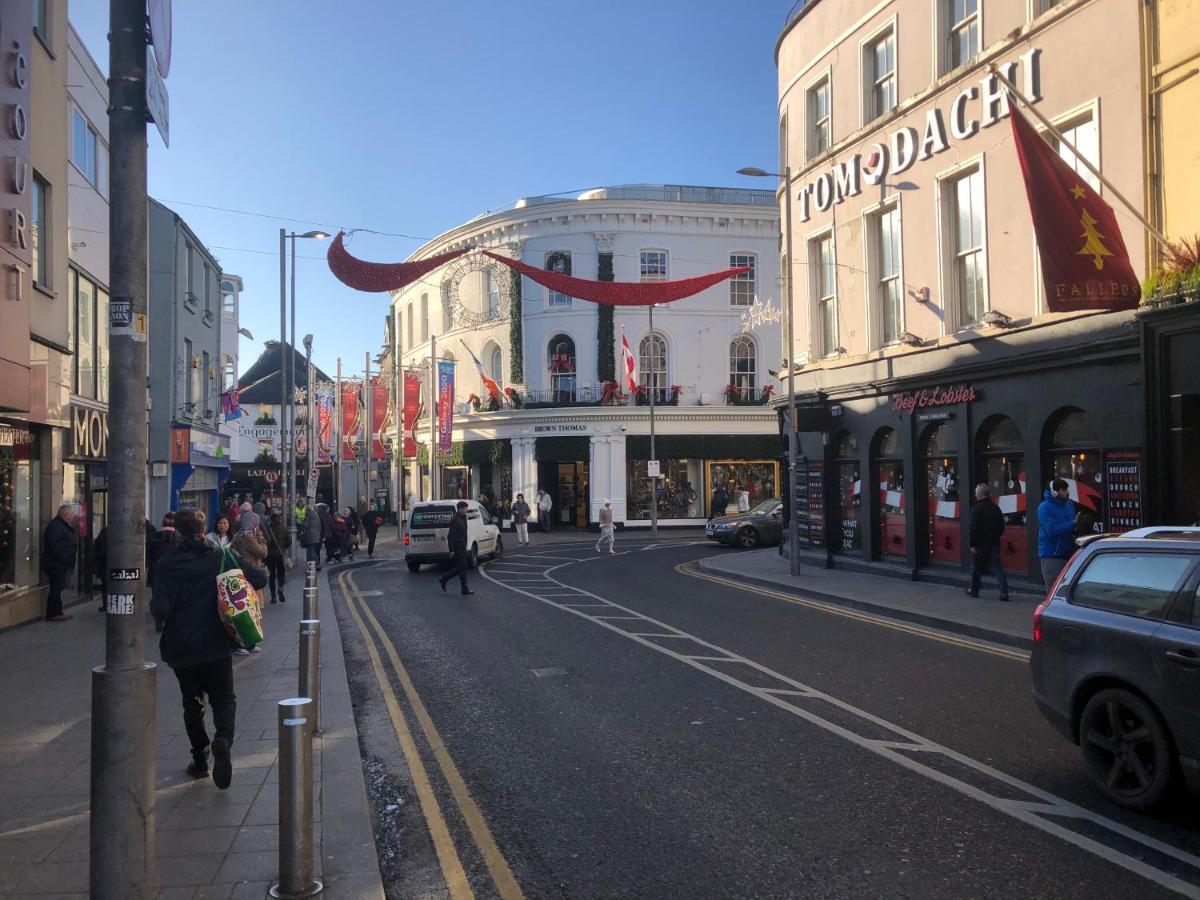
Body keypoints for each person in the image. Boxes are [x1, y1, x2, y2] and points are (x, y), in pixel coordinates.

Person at [150, 508, 268, 788]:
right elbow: (260, 579)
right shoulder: (220, 556)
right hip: (216, 642)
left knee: (192, 702)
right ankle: (223, 739)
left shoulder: (165, 565)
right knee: (224, 697)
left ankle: (200, 758)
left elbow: (160, 609)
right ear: (204, 529)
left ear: (177, 531)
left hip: (181, 646)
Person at [966, 484, 1008, 602]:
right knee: (997, 567)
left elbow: (973, 528)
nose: (975, 495)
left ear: (980, 494)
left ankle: (974, 590)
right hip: (993, 543)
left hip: (980, 544)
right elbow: (1001, 526)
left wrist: (972, 544)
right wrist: (996, 537)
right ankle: (1004, 591)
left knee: (976, 568)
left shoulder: (976, 509)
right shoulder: (995, 508)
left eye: (976, 493)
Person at [1038, 479, 1078, 587]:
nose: (1067, 492)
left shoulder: (1069, 504)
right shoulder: (1044, 507)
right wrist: (1072, 524)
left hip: (1070, 553)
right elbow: (1051, 529)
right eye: (1063, 490)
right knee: (1054, 588)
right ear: (1055, 492)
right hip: (1052, 555)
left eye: (1067, 489)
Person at [42, 504, 78, 622]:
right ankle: (54, 613)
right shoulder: (56, 526)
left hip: (59, 563)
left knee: (58, 587)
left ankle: (57, 611)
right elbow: (54, 545)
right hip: (56, 563)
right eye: (71, 514)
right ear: (65, 515)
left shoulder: (60, 525)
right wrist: (64, 557)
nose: (72, 517)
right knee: (56, 588)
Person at [438, 501, 474, 595]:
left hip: (462, 546)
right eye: (465, 509)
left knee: (462, 566)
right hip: (457, 546)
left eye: (467, 508)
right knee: (463, 566)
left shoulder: (463, 518)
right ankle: (463, 588)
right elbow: (450, 536)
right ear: (460, 509)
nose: (466, 510)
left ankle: (444, 579)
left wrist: (465, 545)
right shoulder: (455, 519)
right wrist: (451, 550)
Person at [264, 510, 291, 604]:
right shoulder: (284, 529)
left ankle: (273, 597)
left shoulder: (267, 529)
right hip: (280, 554)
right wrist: (283, 548)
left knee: (271, 575)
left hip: (269, 555)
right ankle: (280, 587)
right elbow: (289, 542)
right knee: (281, 573)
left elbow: (264, 541)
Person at [301, 499, 323, 570]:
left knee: (311, 552)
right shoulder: (317, 516)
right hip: (316, 536)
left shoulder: (308, 515)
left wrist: (301, 523)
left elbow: (305, 525)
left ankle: (314, 565)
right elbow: (320, 527)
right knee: (313, 551)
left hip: (310, 536)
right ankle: (316, 565)